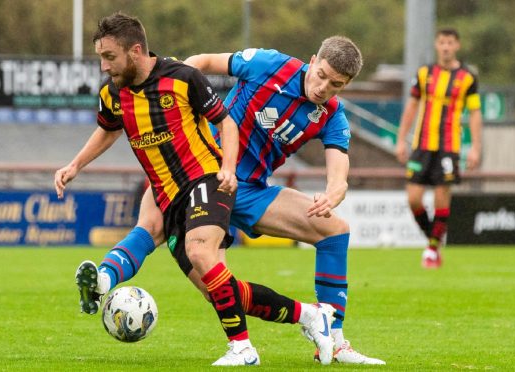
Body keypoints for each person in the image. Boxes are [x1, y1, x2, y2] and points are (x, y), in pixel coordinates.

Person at [80, 34, 385, 365]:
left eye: (336, 85)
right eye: (321, 75)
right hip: (201, 172)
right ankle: (104, 279)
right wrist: (169, 85)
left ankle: (334, 340)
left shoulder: (332, 116)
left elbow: (339, 173)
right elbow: (203, 62)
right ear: (312, 61)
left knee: (335, 230)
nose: (324, 87)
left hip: (250, 189)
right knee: (208, 279)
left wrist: (333, 193)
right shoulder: (270, 65)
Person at [395, 28, 483, 268]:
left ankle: (432, 250)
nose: (446, 47)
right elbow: (412, 107)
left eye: (450, 43)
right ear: (436, 45)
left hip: (449, 146)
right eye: (442, 42)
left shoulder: (467, 77)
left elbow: (475, 113)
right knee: (414, 199)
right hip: (421, 145)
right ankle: (433, 241)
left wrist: (475, 147)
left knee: (442, 198)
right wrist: (401, 139)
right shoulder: (424, 74)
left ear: (457, 45)